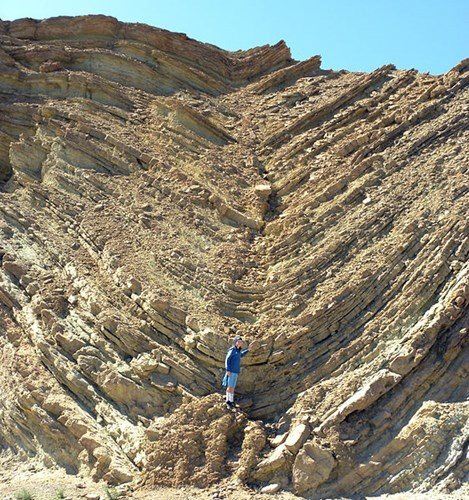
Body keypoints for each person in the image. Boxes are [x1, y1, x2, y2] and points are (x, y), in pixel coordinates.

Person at [224, 335, 250, 409]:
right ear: (235, 342)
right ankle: (228, 401)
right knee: (230, 386)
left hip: (235, 371)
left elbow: (240, 355)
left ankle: (231, 401)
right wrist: (228, 370)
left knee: (232, 387)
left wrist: (248, 350)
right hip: (231, 371)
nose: (240, 343)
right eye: (238, 341)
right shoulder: (232, 350)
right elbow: (227, 360)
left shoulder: (238, 351)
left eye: (241, 342)